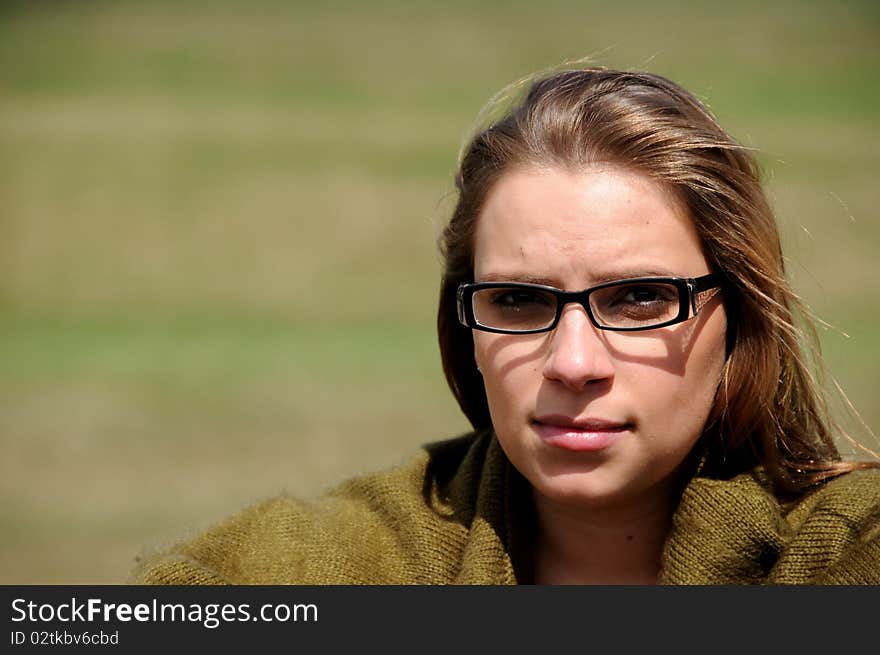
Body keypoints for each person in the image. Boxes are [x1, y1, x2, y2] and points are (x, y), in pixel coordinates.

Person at [133, 67, 880, 585]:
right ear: (467, 328)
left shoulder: (847, 548)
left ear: (738, 318)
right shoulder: (341, 558)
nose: (575, 362)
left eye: (640, 298)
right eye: (520, 302)